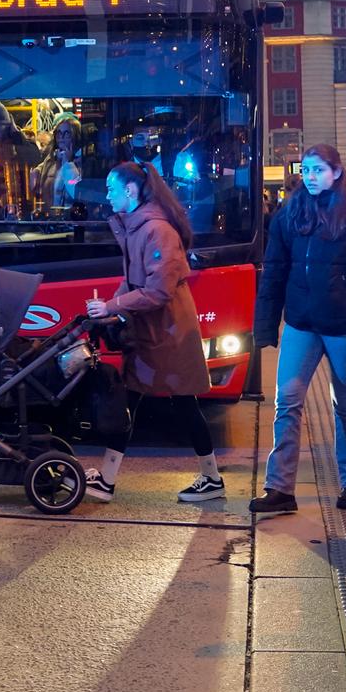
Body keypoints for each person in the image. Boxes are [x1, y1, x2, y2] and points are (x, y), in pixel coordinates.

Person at [250, 145, 346, 517]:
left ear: (336, 172)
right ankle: (280, 487)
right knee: (287, 400)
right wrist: (266, 325)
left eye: (318, 169)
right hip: (302, 322)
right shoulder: (290, 213)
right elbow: (274, 271)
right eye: (306, 169)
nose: (310, 176)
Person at [82, 162, 223, 504]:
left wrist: (112, 307)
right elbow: (137, 281)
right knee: (135, 399)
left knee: (176, 402)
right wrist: (113, 306)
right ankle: (108, 479)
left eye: (113, 190)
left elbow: (158, 290)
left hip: (168, 332)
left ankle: (211, 478)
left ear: (130, 191)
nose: (108, 196)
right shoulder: (140, 226)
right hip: (156, 329)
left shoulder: (155, 230)